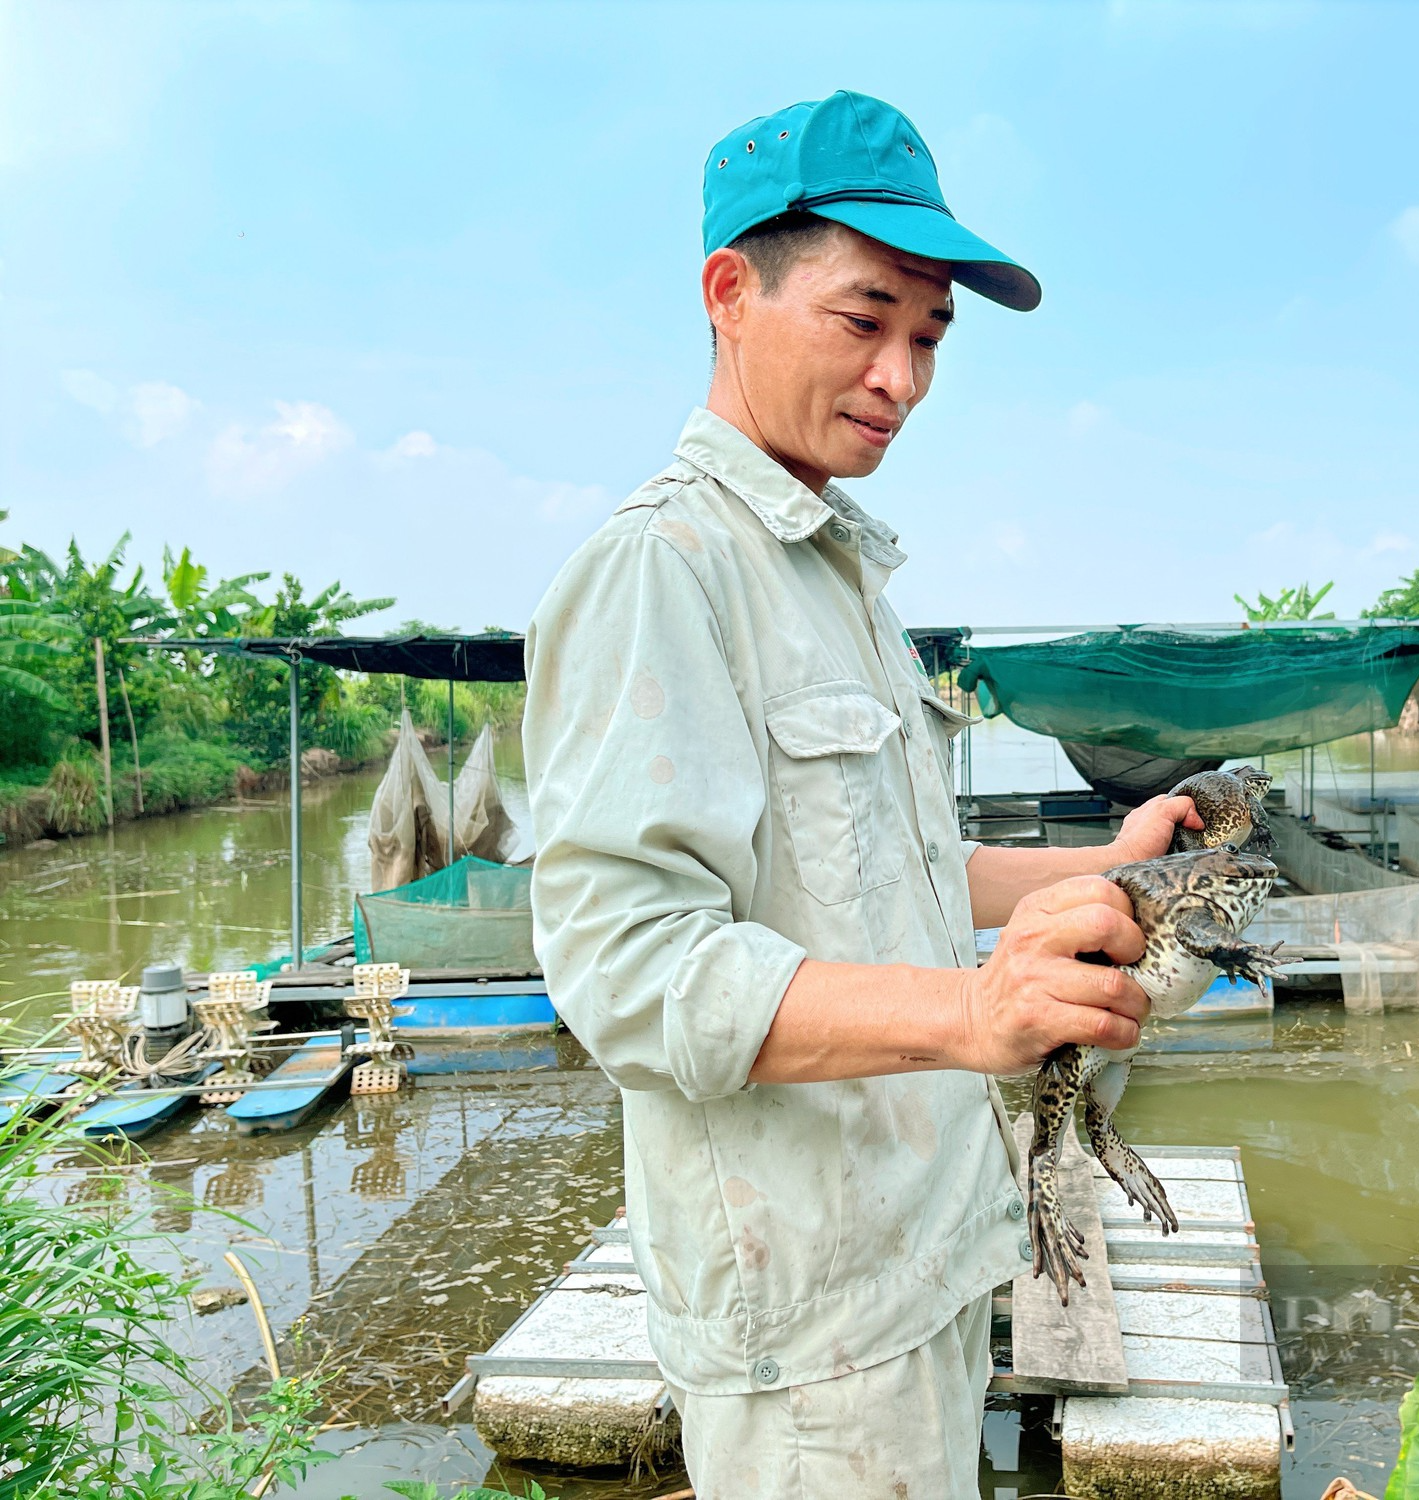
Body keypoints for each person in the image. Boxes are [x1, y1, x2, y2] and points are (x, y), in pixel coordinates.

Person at [522, 91, 1199, 1498]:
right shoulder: (665, 569)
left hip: (929, 1249)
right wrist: (974, 1013)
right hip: (813, 1322)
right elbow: (628, 966)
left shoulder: (839, 576)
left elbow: (897, 864)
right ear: (730, 293)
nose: (902, 375)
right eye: (864, 318)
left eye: (932, 337)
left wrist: (1114, 866)